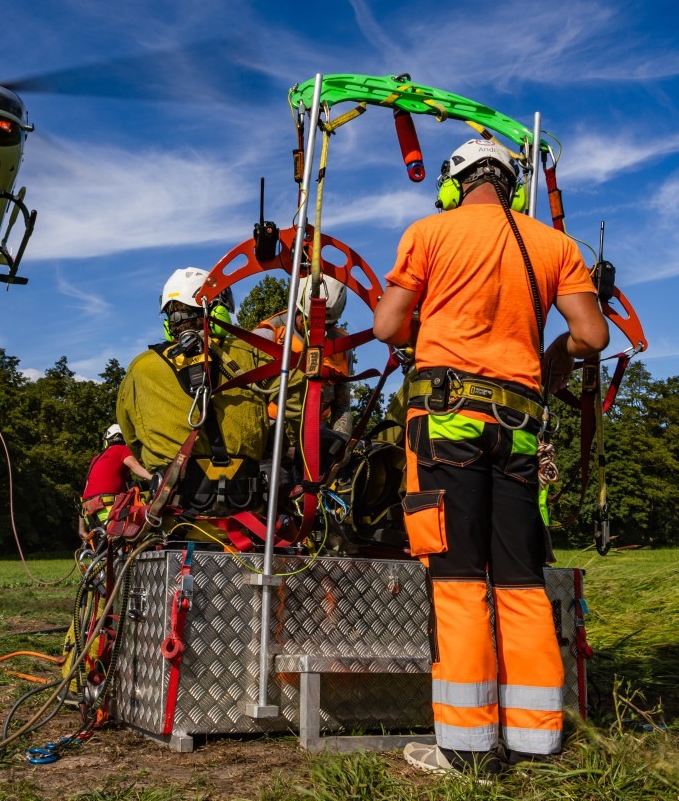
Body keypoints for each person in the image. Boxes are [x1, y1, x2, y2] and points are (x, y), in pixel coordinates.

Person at [371, 138, 608, 775]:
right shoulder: (555, 247)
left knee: (457, 580)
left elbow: (390, 328)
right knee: (521, 582)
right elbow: (591, 336)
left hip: (446, 424)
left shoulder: (429, 232)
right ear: (514, 187)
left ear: (452, 183)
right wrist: (551, 357)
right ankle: (537, 741)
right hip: (520, 432)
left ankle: (466, 751)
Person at [115, 267, 271, 534]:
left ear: (168, 321)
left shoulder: (141, 368)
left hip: (173, 520)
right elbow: (296, 407)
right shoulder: (253, 355)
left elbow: (132, 437)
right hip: (246, 523)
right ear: (217, 310)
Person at [252, 273, 355, 434]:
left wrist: (340, 442)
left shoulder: (342, 347)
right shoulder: (268, 335)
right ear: (298, 308)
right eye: (311, 322)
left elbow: (342, 405)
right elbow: (248, 396)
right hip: (271, 434)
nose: (319, 330)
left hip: (316, 437)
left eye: (327, 326)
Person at [80, 424, 152, 536]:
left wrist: (82, 529)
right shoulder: (122, 449)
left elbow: (86, 491)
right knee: (135, 534)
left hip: (88, 512)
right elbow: (134, 466)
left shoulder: (95, 460)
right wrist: (155, 478)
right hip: (107, 506)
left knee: (103, 545)